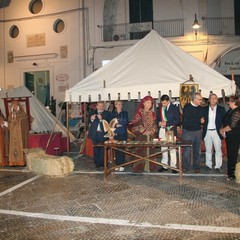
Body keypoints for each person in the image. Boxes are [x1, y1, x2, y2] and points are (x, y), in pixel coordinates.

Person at [132, 96, 157, 172]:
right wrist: (144, 131)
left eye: (151, 103)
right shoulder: (139, 113)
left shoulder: (152, 113)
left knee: (151, 152)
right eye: (148, 103)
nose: (150, 104)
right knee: (141, 152)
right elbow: (136, 124)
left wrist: (152, 130)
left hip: (151, 136)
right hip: (142, 136)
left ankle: (150, 168)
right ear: (144, 103)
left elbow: (155, 124)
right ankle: (140, 168)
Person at [156, 94, 180, 173]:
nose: (163, 104)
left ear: (168, 101)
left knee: (172, 149)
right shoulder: (160, 108)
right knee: (163, 148)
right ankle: (164, 165)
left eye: (165, 103)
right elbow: (158, 119)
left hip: (171, 130)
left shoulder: (174, 108)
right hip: (162, 130)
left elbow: (177, 120)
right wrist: (159, 123)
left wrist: (167, 123)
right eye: (162, 103)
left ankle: (173, 166)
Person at [182, 92, 205, 173]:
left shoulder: (200, 108)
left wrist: (200, 121)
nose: (201, 101)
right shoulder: (187, 107)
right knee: (186, 150)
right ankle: (186, 166)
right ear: (195, 99)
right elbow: (187, 119)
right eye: (200, 99)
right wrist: (199, 120)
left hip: (198, 131)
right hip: (187, 131)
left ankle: (197, 166)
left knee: (197, 150)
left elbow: (201, 119)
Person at [202, 94, 226, 172]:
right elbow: (201, 120)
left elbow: (225, 121)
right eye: (211, 98)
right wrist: (201, 121)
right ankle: (208, 165)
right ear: (208, 100)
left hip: (217, 131)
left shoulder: (221, 109)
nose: (213, 99)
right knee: (208, 150)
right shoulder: (204, 109)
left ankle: (217, 166)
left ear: (217, 100)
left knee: (218, 149)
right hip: (207, 132)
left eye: (215, 98)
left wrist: (223, 130)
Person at [220, 96, 240, 181]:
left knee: (232, 154)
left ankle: (232, 174)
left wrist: (222, 130)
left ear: (233, 102)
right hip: (230, 135)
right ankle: (230, 172)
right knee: (230, 154)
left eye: (229, 101)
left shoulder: (237, 112)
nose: (228, 103)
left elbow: (232, 126)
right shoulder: (230, 111)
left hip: (235, 136)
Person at [88, 101, 110, 169]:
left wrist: (102, 119)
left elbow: (109, 122)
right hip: (95, 134)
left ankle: (103, 164)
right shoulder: (92, 112)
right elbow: (88, 121)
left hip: (103, 134)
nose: (101, 107)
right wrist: (91, 119)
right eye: (100, 106)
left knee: (103, 149)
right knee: (96, 149)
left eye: (102, 106)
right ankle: (97, 164)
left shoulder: (107, 113)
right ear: (97, 106)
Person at [8, 101, 29, 166]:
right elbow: (9, 123)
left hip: (20, 134)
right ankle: (13, 162)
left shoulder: (22, 113)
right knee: (13, 147)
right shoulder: (10, 114)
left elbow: (25, 123)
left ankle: (21, 162)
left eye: (15, 106)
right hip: (13, 134)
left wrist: (18, 122)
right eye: (13, 106)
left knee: (20, 146)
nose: (14, 107)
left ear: (18, 106)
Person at [110, 100, 129, 171]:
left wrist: (117, 123)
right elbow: (111, 123)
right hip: (115, 133)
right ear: (115, 105)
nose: (120, 105)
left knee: (122, 149)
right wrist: (116, 124)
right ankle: (117, 164)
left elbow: (125, 121)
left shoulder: (125, 113)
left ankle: (122, 165)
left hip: (123, 133)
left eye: (121, 104)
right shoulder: (112, 113)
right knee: (116, 149)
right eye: (118, 104)